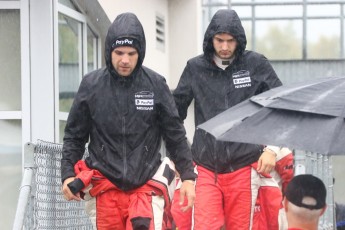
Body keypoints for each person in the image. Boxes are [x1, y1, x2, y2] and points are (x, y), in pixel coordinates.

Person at [61, 12, 196, 230]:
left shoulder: (156, 84)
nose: (125, 60)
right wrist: (67, 174)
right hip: (105, 190)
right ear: (109, 51)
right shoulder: (91, 85)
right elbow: (74, 137)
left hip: (145, 189)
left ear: (140, 52)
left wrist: (188, 177)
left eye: (131, 53)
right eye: (119, 52)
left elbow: (175, 133)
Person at [173, 9, 283, 229]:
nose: (224, 47)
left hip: (243, 167)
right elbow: (173, 115)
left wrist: (273, 149)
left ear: (239, 40)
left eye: (230, 41)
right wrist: (179, 157)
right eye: (219, 40)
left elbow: (281, 104)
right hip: (204, 168)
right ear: (210, 39)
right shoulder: (195, 68)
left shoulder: (256, 64)